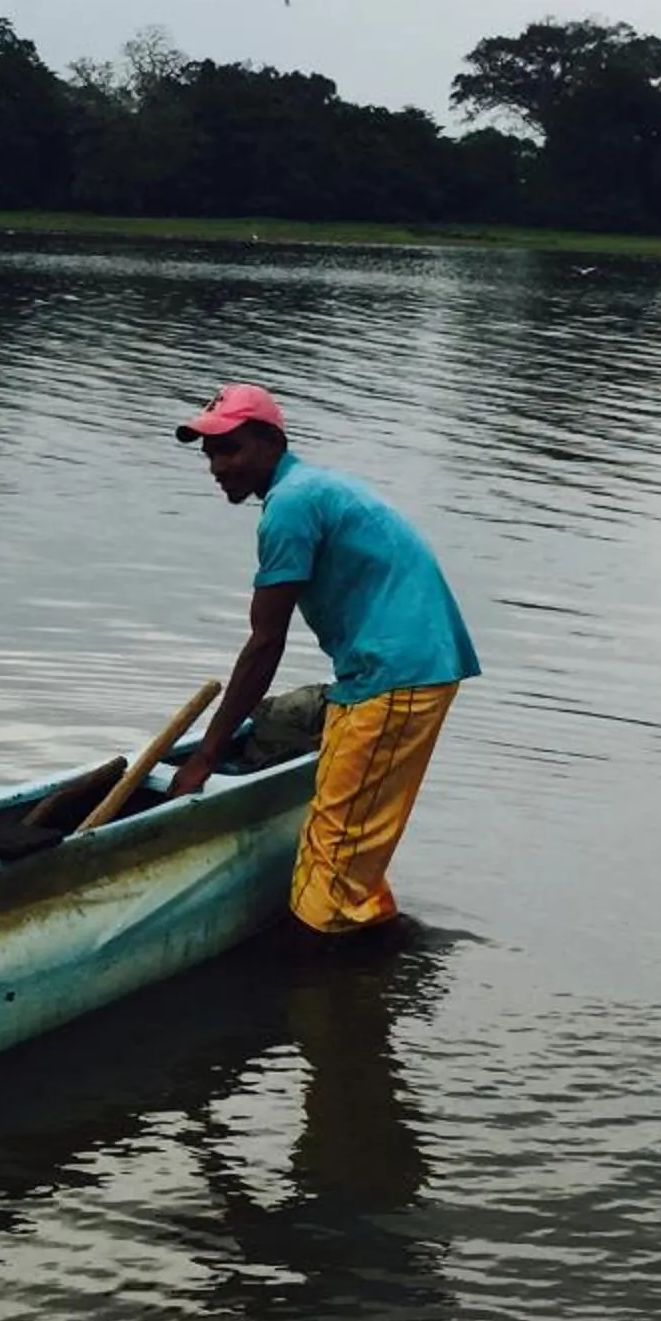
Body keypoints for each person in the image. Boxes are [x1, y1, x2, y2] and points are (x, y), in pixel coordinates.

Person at [162, 384, 478, 935]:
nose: (216, 465)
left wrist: (206, 756)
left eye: (228, 448)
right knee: (321, 798)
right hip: (396, 668)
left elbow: (265, 644)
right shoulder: (310, 489)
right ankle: (372, 934)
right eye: (209, 452)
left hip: (395, 678)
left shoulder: (289, 506)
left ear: (269, 442)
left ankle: (321, 980)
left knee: (325, 875)